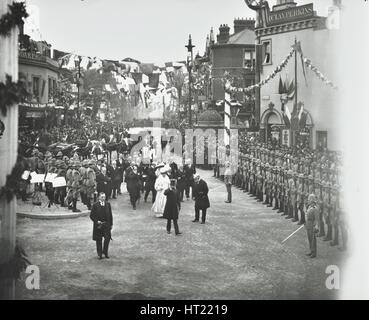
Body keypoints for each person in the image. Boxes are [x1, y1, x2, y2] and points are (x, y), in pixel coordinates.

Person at [90, 192, 113, 259]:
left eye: (104, 197)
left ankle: (105, 252)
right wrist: (97, 221)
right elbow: (92, 216)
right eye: (102, 197)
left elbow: (110, 215)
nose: (103, 198)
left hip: (106, 224)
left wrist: (111, 224)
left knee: (107, 239)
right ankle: (99, 254)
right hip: (98, 225)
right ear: (99, 197)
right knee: (99, 239)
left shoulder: (108, 204)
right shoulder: (95, 205)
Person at [305, 194, 320, 258]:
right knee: (309, 238)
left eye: (309, 200)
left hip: (312, 225)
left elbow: (317, 219)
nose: (308, 201)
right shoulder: (309, 207)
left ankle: (314, 253)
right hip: (308, 223)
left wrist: (316, 226)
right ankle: (311, 250)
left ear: (312, 200)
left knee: (313, 239)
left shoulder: (315, 208)